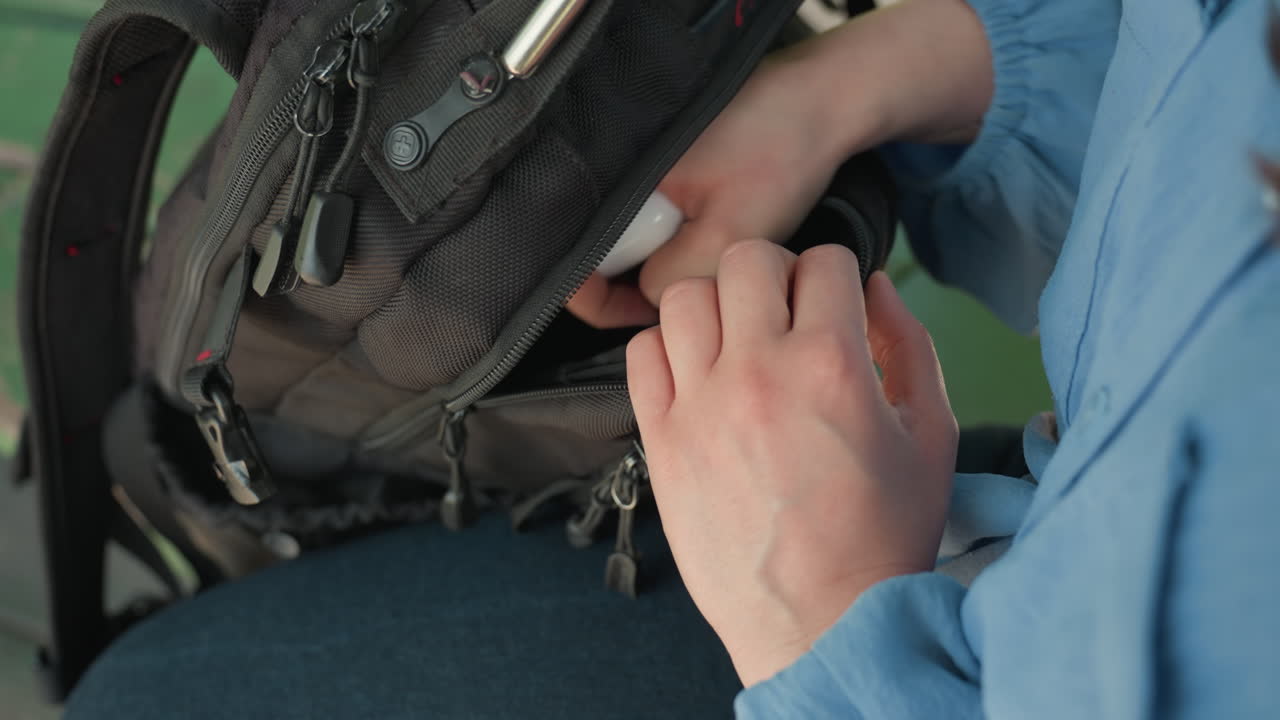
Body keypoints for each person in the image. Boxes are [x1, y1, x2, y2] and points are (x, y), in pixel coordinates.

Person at [67, 0, 1279, 717]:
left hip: (921, 662)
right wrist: (867, 85)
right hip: (1054, 533)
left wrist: (821, 632)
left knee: (167, 699)